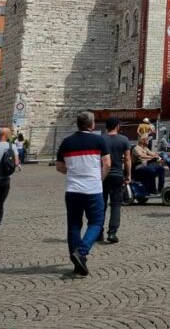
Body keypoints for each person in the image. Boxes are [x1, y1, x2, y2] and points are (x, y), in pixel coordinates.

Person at [55, 111, 110, 278]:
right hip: (92, 189)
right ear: (92, 125)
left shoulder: (67, 142)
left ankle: (78, 265)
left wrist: (72, 172)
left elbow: (59, 166)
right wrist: (99, 179)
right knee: (96, 222)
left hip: (73, 189)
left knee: (73, 225)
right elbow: (107, 163)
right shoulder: (99, 140)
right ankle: (82, 251)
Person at [101, 117, 131, 244]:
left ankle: (97, 231)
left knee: (101, 205)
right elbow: (127, 159)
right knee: (116, 205)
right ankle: (112, 232)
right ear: (117, 126)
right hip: (118, 175)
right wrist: (128, 175)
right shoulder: (124, 140)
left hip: (103, 175)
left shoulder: (101, 139)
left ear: (106, 127)